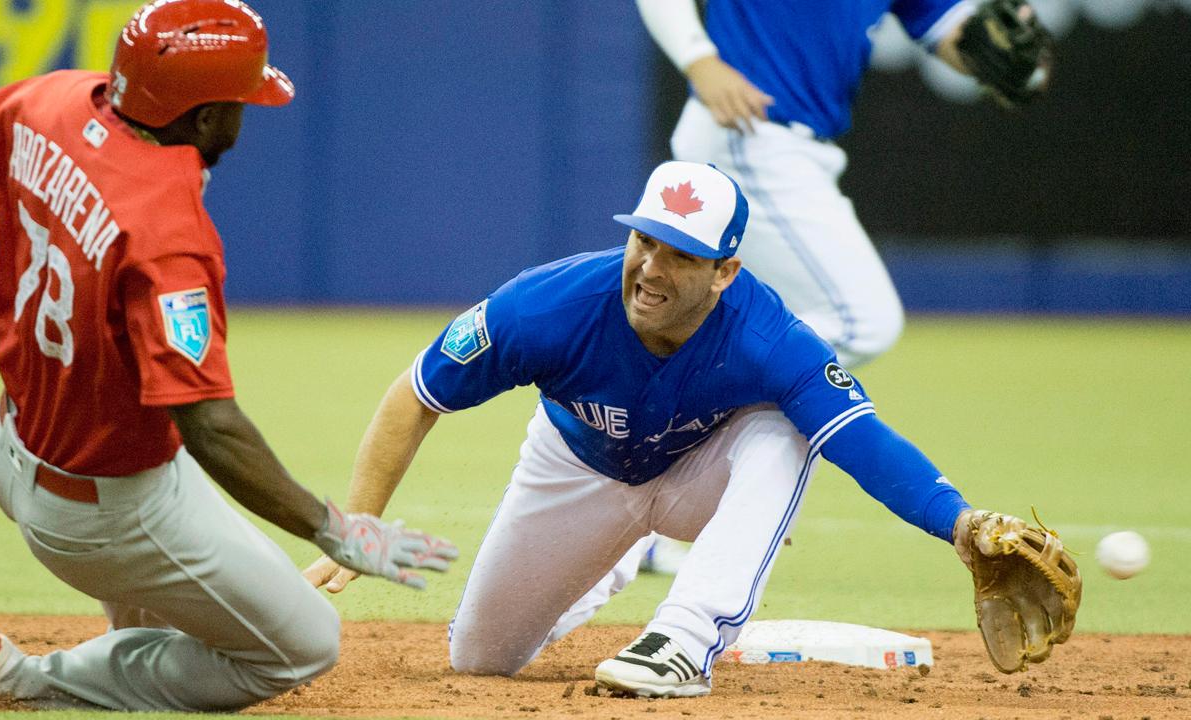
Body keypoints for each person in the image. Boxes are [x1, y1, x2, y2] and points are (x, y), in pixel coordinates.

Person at [302, 160, 1058, 698]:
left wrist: (960, 525)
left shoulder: (769, 336)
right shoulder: (547, 307)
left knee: (789, 431)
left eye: (682, 253)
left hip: (705, 475)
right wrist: (359, 516)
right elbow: (417, 394)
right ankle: (618, 556)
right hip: (578, 467)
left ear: (725, 271)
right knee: (479, 660)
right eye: (645, 239)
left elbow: (859, 437)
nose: (651, 267)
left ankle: (686, 640)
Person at [0, 0, 457, 711]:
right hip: (104, 511)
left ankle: (125, 633)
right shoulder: (167, 233)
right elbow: (208, 425)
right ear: (206, 117)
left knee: (176, 578)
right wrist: (333, 529)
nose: (248, 115)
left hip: (9, 444)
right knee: (306, 644)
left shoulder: (34, 99)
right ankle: (40, 680)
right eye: (242, 100)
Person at [632, 0, 1053, 575]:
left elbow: (946, 32)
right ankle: (675, 447)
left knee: (739, 323)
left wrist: (1000, 52)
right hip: (750, 130)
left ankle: (655, 503)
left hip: (797, 148)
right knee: (858, 320)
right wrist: (699, 58)